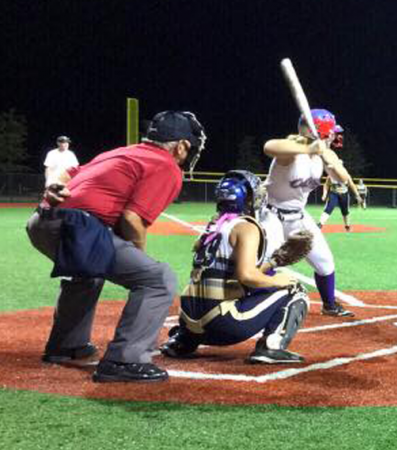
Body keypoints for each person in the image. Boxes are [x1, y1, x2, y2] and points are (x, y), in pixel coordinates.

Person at [25, 111, 206, 383]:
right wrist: (139, 257)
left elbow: (65, 174)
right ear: (181, 146)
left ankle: (67, 345)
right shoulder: (166, 165)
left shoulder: (124, 152)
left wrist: (52, 187)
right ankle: (125, 361)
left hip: (41, 221)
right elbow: (131, 219)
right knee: (157, 279)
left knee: (88, 272)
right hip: (78, 226)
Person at [160, 171, 311, 364]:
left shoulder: (213, 226)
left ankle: (182, 341)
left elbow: (225, 274)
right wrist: (277, 278)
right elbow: (246, 275)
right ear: (246, 198)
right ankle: (271, 347)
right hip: (221, 324)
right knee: (295, 289)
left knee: (213, 287)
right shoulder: (246, 227)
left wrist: (273, 262)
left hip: (189, 322)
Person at [259, 108, 364, 318]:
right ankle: (255, 307)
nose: (334, 135)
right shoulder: (292, 150)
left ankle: (329, 306)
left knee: (325, 263)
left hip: (298, 215)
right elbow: (269, 146)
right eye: (332, 130)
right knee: (263, 266)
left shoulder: (325, 153)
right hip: (270, 215)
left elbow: (342, 176)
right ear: (320, 130)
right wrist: (309, 148)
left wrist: (326, 157)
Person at [317, 125, 358, 232]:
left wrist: (357, 195)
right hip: (334, 192)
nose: (335, 136)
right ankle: (320, 224)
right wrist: (324, 194)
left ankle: (347, 226)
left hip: (343, 193)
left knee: (345, 211)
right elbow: (326, 184)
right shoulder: (329, 162)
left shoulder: (341, 171)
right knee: (329, 208)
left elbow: (350, 183)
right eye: (332, 134)